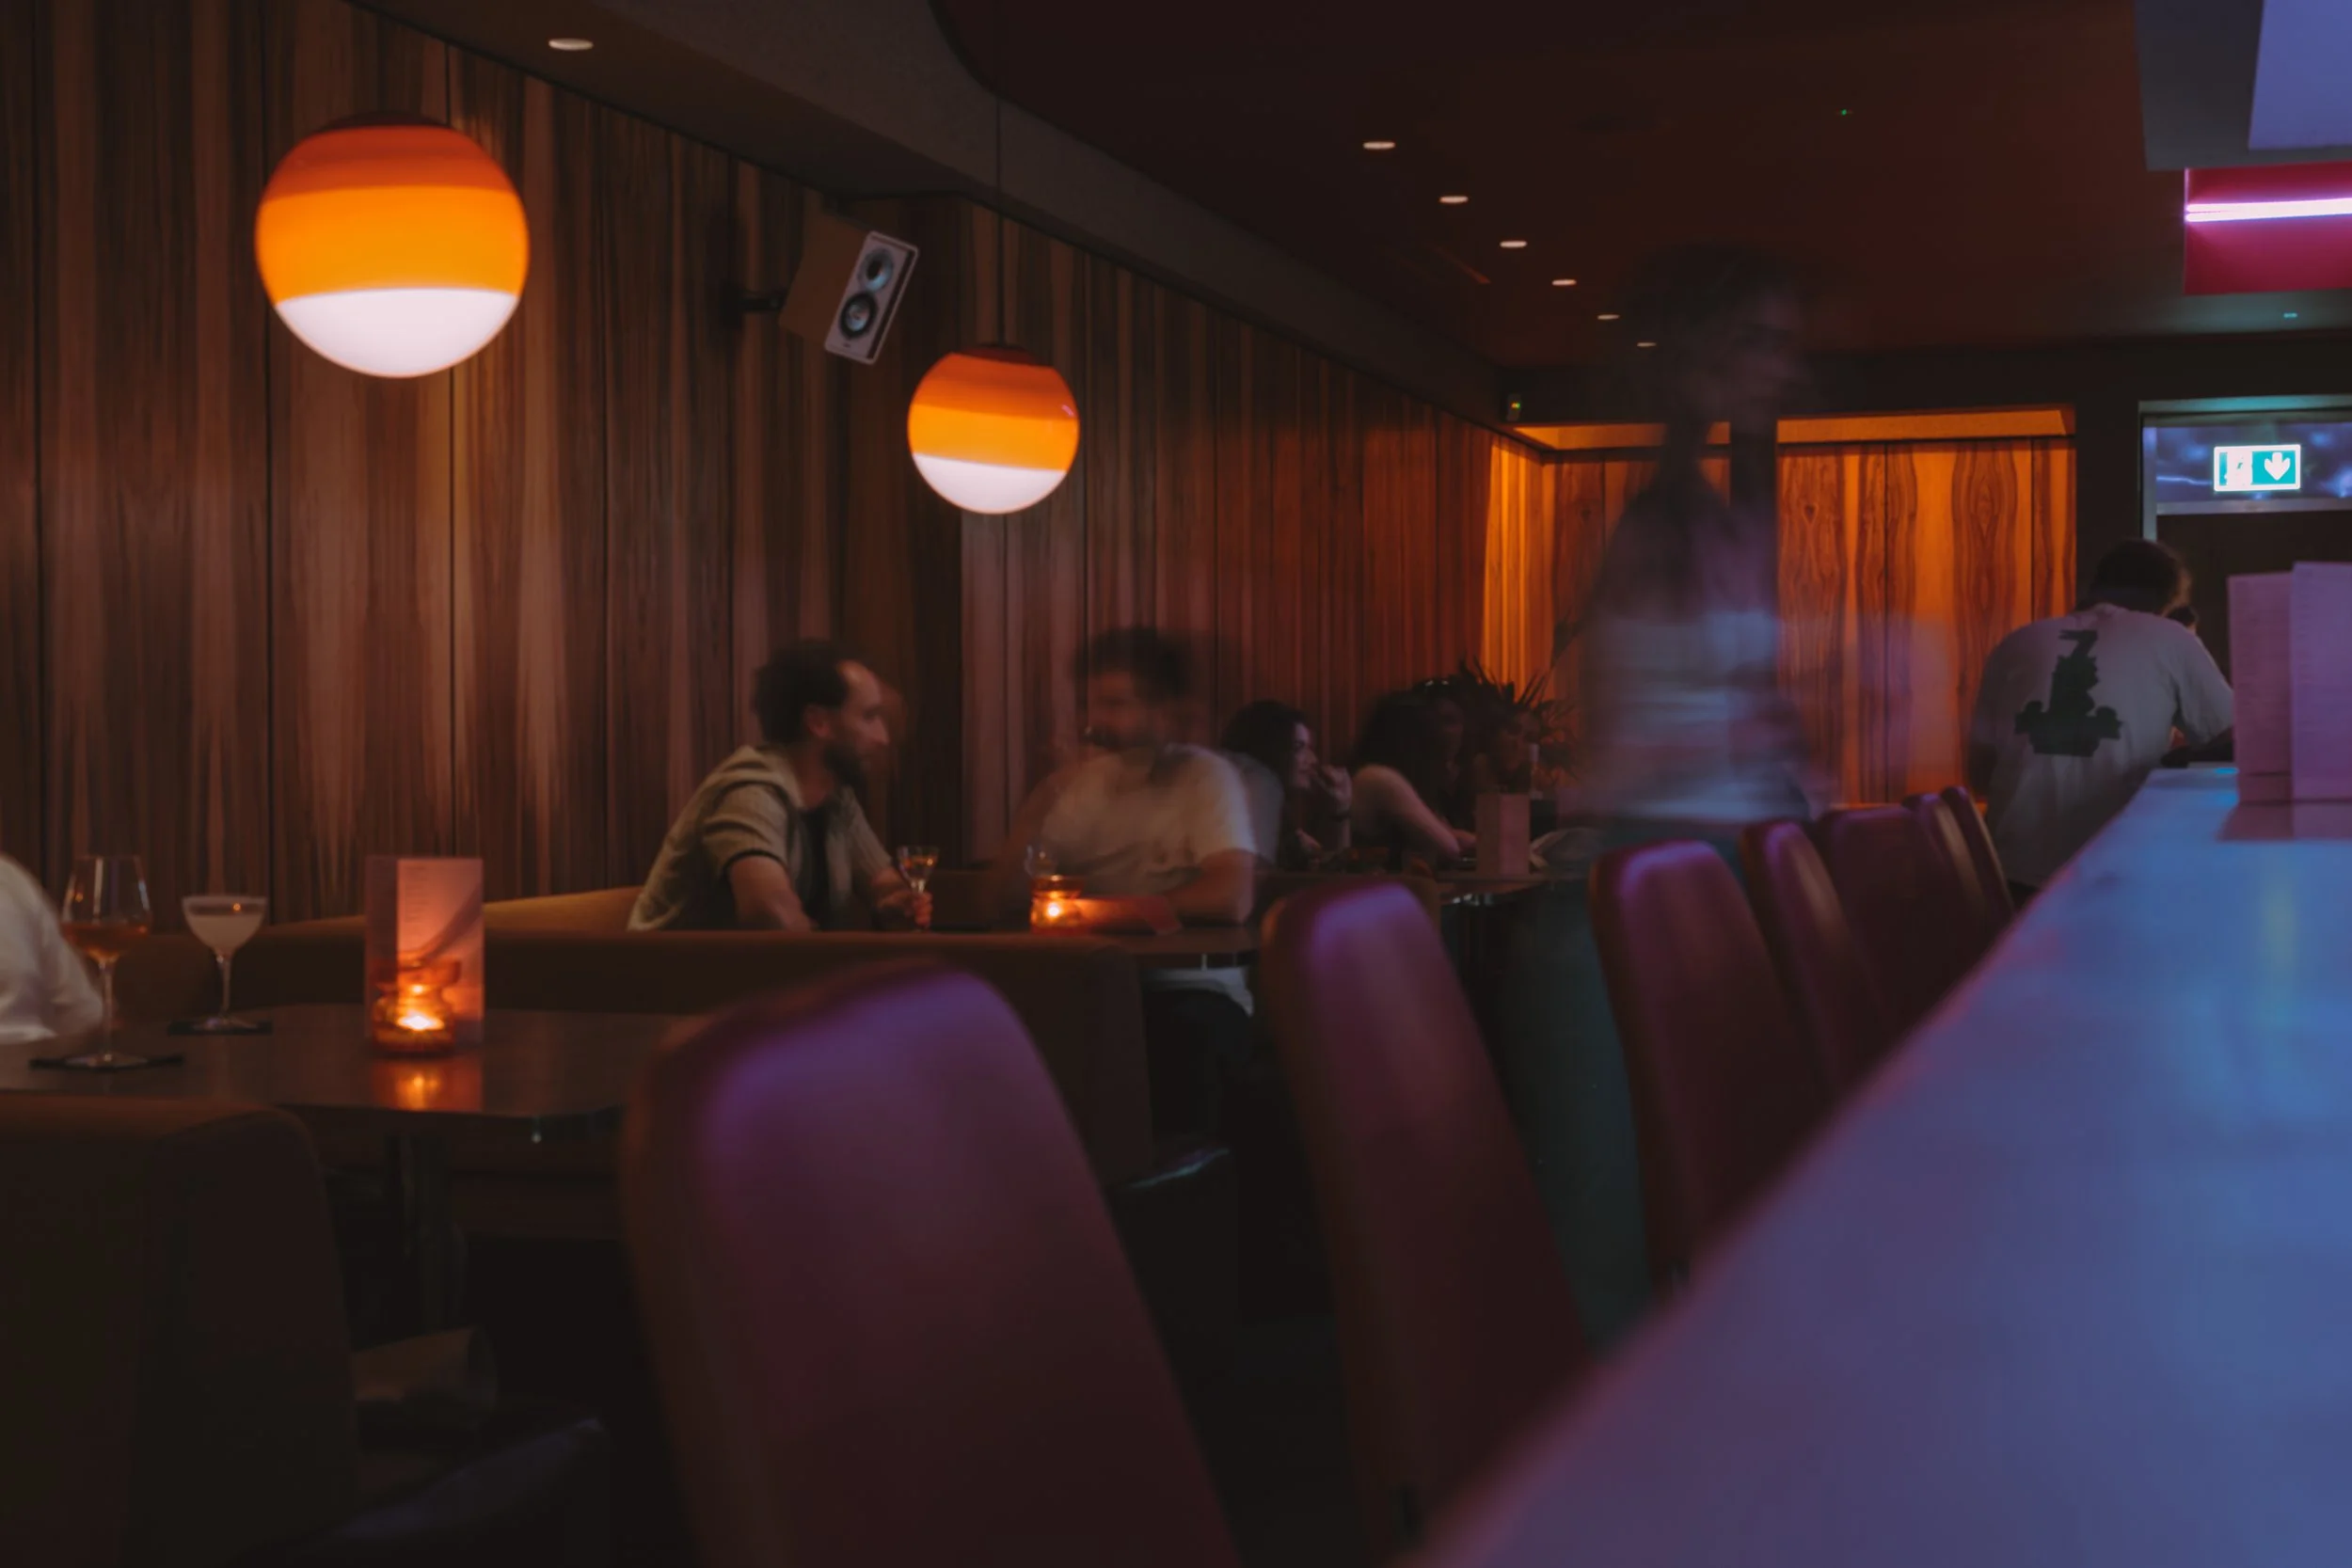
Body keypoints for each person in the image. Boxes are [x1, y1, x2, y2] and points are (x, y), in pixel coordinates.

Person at [1497, 245, 1811, 1351]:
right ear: (1692, 364)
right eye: (1755, 342)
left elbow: (1726, 727)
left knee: (1700, 1215)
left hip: (1693, 880)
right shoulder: (1660, 528)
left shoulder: (1699, 518)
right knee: (1612, 1239)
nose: (1781, 364)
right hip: (1639, 885)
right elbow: (1638, 744)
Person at [986, 627, 1258, 1132]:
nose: (1096, 723)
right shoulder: (1080, 785)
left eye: (1116, 705)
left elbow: (1230, 896)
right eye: (1092, 706)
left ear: (1163, 712)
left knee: (1185, 1040)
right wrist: (1045, 793)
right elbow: (1002, 897)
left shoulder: (1204, 778)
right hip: (1084, 984)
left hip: (1186, 989)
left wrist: (1090, 912)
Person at [1968, 539, 2231, 905]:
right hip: (2121, 871)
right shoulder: (2171, 638)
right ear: (2167, 602)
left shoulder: (2019, 641)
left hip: (2010, 877)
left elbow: (1980, 771)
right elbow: (2234, 741)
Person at [629, 641, 930, 932]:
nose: (883, 738)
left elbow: (880, 881)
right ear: (818, 722)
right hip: (673, 979)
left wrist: (894, 902)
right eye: (869, 717)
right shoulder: (750, 790)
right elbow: (768, 913)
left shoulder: (836, 797)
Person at [1220, 700, 1353, 869]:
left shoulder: (1278, 817)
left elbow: (1335, 877)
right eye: (1299, 747)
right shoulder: (1241, 818)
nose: (1313, 760)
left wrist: (1340, 809)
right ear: (1268, 749)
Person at [1350, 693, 1475, 868]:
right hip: (1373, 890)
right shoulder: (1380, 778)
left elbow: (1448, 834)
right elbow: (1448, 846)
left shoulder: (1382, 775)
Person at [0, 855, 102, 1045]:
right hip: (35, 1064)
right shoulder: (9, 877)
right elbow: (81, 1014)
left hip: (37, 1064)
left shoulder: (9, 878)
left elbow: (82, 1013)